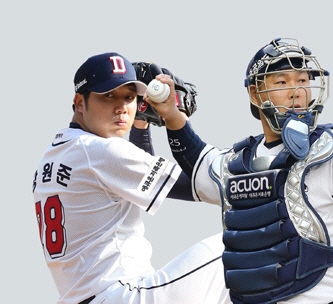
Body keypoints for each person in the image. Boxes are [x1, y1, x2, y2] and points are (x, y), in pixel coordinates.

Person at [147, 38, 333, 304]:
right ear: (255, 94)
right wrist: (171, 115)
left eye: (303, 80)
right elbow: (197, 162)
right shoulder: (235, 164)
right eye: (282, 82)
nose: (296, 91)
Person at [32, 52, 229, 304]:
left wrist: (140, 125)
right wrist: (174, 119)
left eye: (129, 97)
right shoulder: (100, 151)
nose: (121, 107)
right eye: (108, 95)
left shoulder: (54, 154)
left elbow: (137, 176)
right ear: (80, 102)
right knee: (248, 239)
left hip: (87, 297)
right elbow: (204, 186)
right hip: (123, 295)